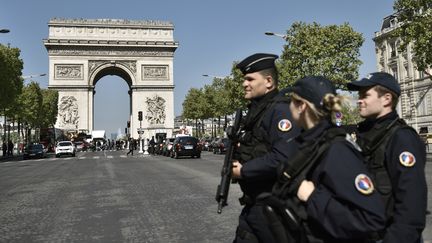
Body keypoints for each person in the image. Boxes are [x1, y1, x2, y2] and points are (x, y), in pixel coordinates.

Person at [268, 76, 386, 242]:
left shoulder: (337, 150)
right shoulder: (308, 143)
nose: (288, 106)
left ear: (302, 106)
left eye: (291, 101)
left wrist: (312, 197)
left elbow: (371, 218)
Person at [347, 72, 427, 243]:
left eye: (365, 95)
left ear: (386, 99)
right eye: (359, 95)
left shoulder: (402, 138)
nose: (359, 100)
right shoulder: (365, 134)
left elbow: (411, 208)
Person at [230, 53, 300, 243]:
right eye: (244, 79)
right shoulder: (257, 111)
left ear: (269, 81)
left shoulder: (280, 111)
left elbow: (283, 158)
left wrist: (244, 170)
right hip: (255, 205)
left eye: (250, 79)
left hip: (273, 207)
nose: (244, 84)